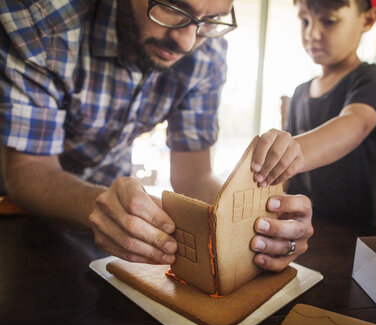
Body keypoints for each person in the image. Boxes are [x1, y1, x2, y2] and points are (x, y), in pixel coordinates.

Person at [0, 0, 313, 272]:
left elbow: (193, 176)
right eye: (173, 7)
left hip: (111, 215)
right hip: (16, 213)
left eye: (210, 19)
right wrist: (98, 205)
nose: (188, 41)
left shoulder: (208, 50)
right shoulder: (42, 23)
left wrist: (258, 223)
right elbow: (27, 170)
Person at [251, 0, 376, 227]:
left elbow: (354, 124)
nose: (312, 33)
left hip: (357, 234)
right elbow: (289, 181)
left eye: (329, 21)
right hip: (304, 226)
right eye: (305, 21)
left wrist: (291, 154)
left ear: (367, 19)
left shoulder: (370, 80)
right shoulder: (300, 93)